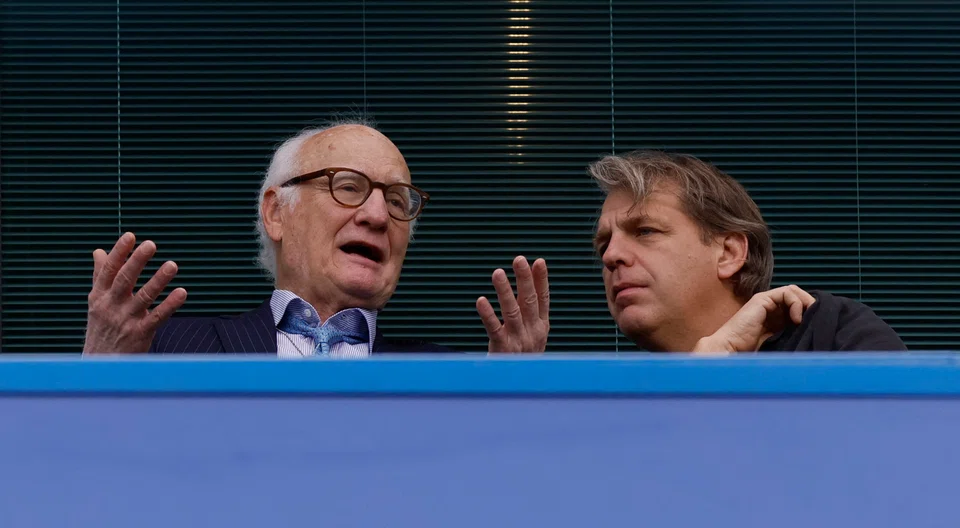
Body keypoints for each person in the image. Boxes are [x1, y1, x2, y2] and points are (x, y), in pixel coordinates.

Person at [83, 119, 549, 356]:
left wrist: (512, 397)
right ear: (276, 213)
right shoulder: (171, 347)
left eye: (397, 200)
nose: (376, 216)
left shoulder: (448, 378)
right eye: (348, 187)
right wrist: (100, 372)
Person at [589, 150, 906, 353]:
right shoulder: (620, 395)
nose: (611, 255)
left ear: (728, 253)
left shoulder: (828, 333)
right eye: (604, 243)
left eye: (645, 231)